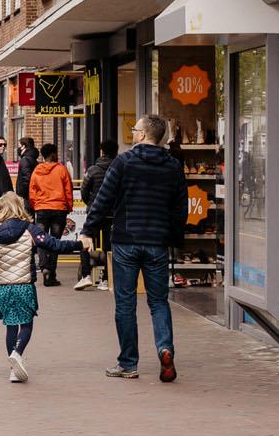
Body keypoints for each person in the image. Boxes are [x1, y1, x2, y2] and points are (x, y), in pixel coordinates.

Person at [85, 113, 188, 383]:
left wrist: (88, 230)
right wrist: (175, 239)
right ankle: (165, 349)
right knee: (158, 302)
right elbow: (180, 209)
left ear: (142, 135)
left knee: (126, 303)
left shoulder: (124, 162)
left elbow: (103, 199)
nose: (133, 133)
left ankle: (128, 363)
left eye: (134, 129)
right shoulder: (173, 166)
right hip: (157, 243)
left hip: (126, 242)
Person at [0, 192, 86, 383]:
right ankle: (18, 352)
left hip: (4, 287)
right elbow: (53, 244)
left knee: (11, 326)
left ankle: (13, 368)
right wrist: (79, 244)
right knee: (27, 324)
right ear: (19, 208)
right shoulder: (30, 229)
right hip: (24, 285)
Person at [27, 143, 74, 287]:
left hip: (42, 209)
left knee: (40, 239)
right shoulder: (62, 170)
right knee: (55, 241)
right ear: (54, 154)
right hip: (59, 209)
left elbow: (32, 191)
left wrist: (36, 205)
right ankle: (51, 273)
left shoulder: (37, 170)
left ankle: (44, 267)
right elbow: (68, 190)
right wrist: (69, 206)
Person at [76, 140, 117, 290]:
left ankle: (86, 275)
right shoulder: (119, 169)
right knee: (109, 246)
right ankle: (106, 278)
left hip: (94, 212)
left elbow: (84, 191)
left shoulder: (93, 170)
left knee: (85, 241)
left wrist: (91, 204)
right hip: (112, 213)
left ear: (101, 151)